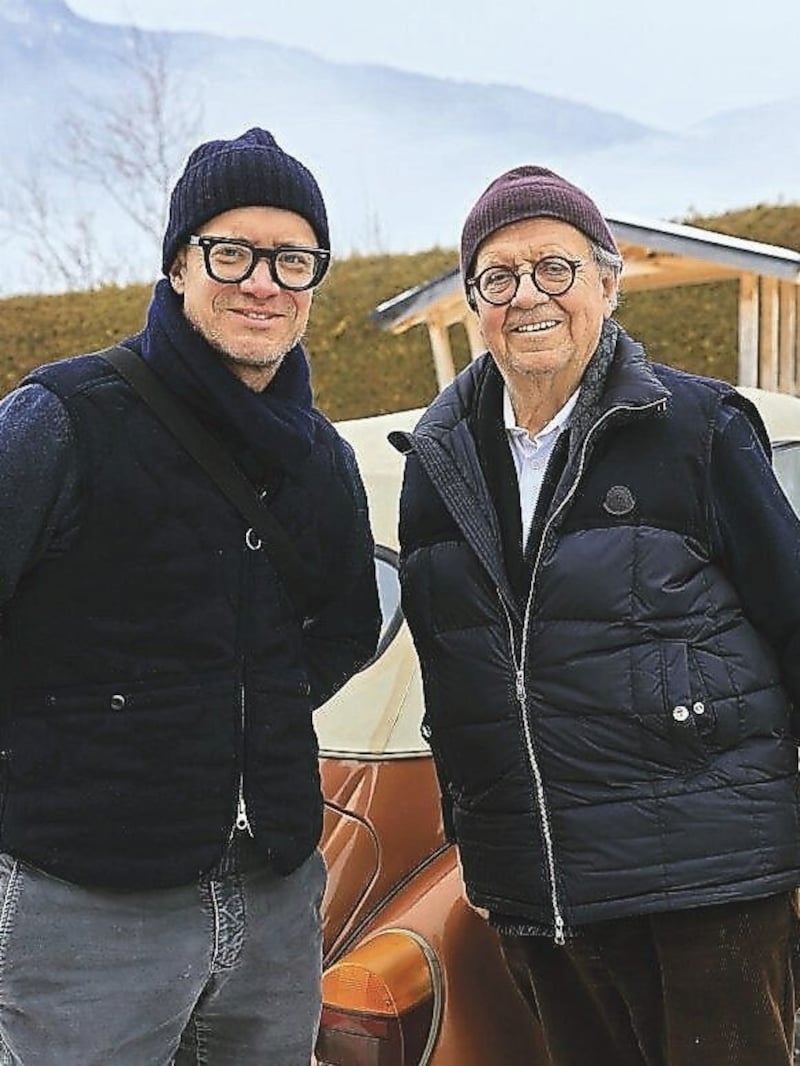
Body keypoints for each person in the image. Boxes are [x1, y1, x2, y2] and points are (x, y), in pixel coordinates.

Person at [390, 165, 800, 1065]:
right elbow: (454, 666)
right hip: (537, 890)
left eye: (555, 268)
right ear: (473, 306)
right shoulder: (436, 463)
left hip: (707, 884)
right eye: (498, 277)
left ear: (607, 284)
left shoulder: (696, 429)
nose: (527, 295)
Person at [0, 127, 381, 1064]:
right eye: (231, 251)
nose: (263, 280)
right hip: (82, 900)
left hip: (273, 894)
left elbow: (343, 633)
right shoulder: (64, 420)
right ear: (179, 266)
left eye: (292, 259)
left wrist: (242, 712)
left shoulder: (322, 459)